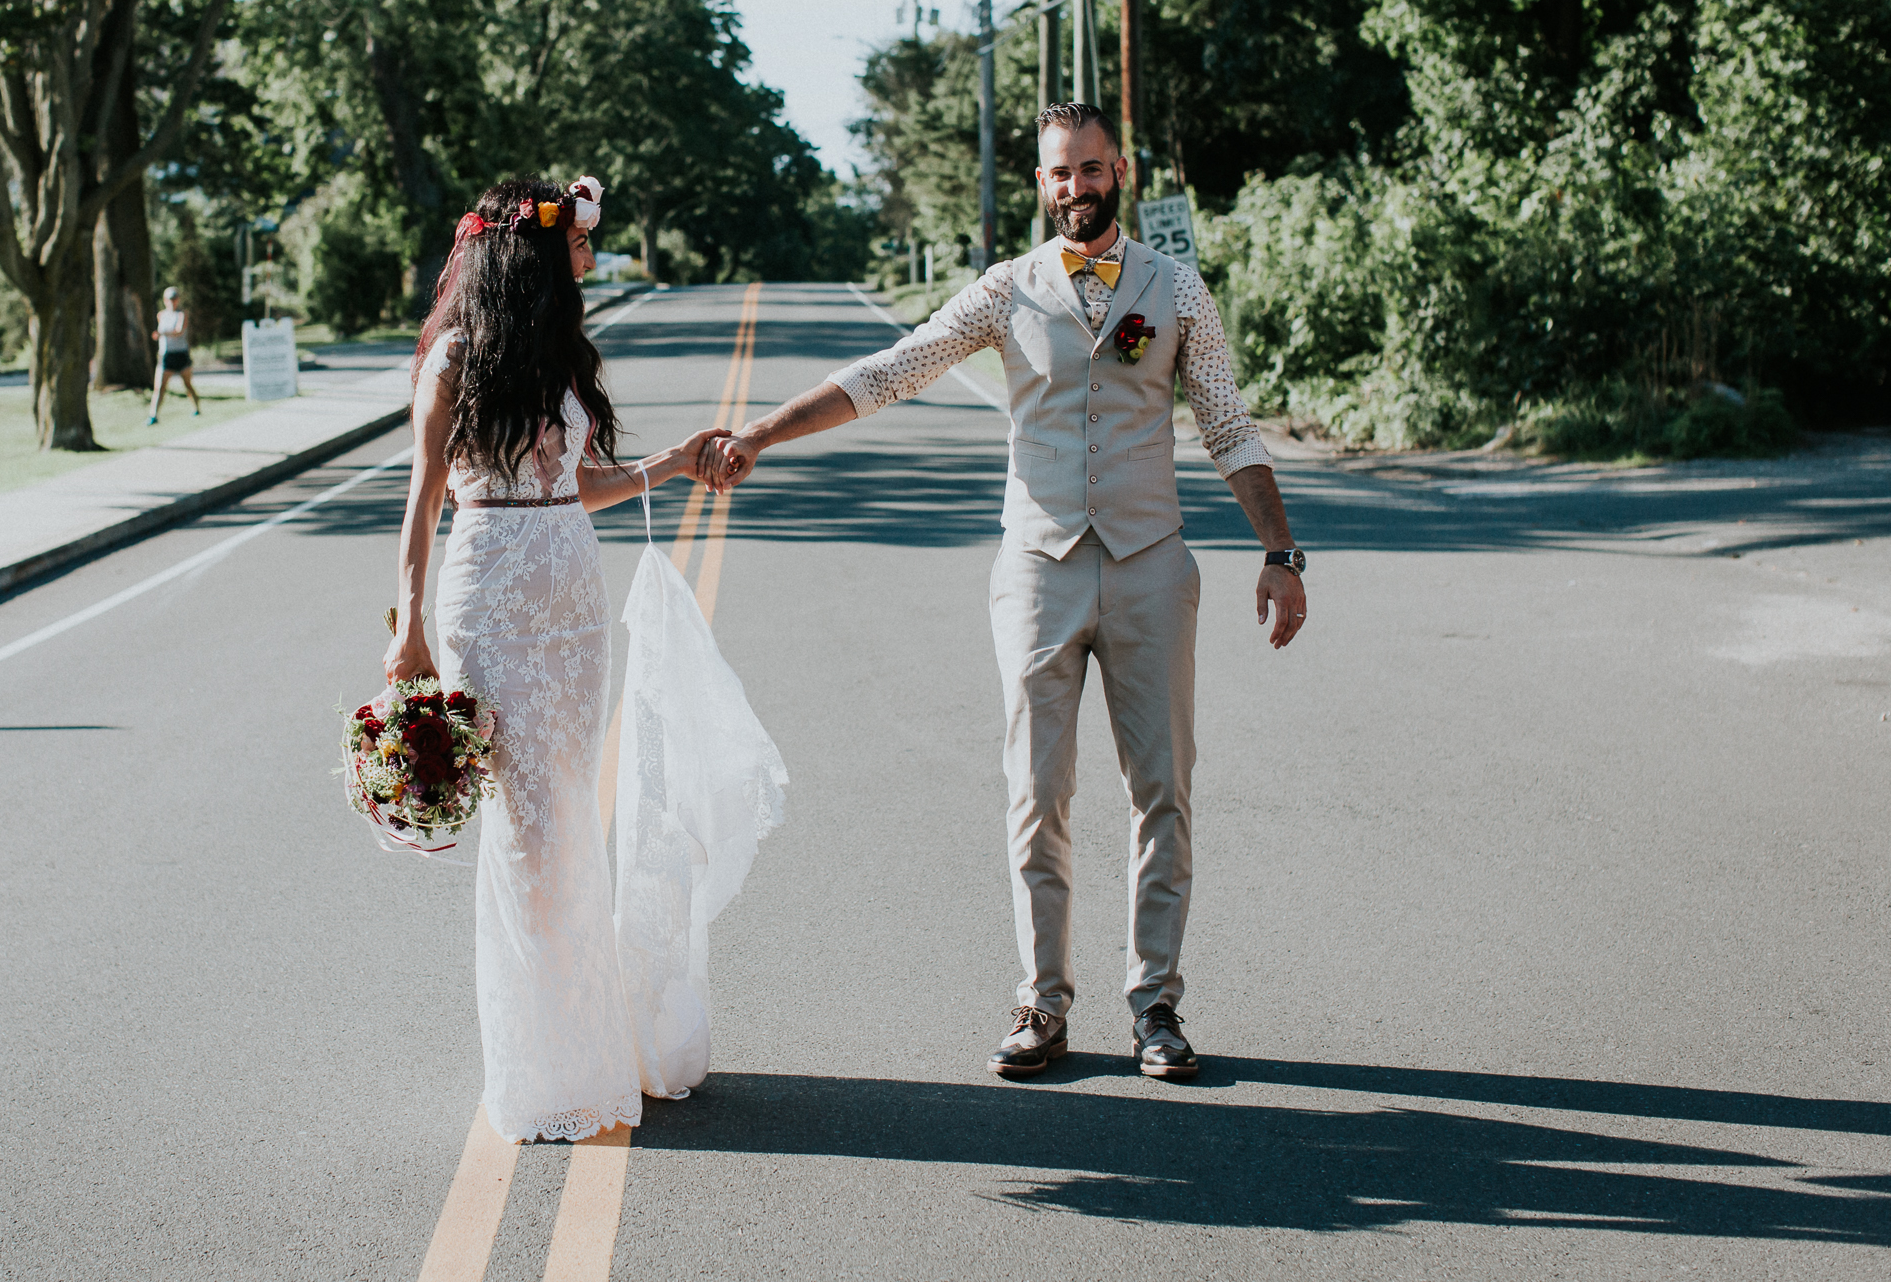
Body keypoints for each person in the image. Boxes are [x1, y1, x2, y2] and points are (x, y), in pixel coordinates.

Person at [698, 102, 1308, 1083]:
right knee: (1037, 794)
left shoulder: (1177, 289)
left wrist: (1281, 552)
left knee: (1163, 790)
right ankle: (1043, 1003)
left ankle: (1156, 1005)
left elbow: (1229, 425)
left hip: (1152, 565)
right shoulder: (1004, 292)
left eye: (1092, 169)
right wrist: (760, 434)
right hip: (1038, 569)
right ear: (1042, 181)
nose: (1076, 187)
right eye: (1059, 173)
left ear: (1123, 170)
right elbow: (893, 371)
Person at [385, 175, 732, 1144]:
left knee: (572, 810)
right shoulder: (452, 357)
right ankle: (539, 1066)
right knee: (527, 832)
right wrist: (406, 624)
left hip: (573, 602)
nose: (587, 257)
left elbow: (581, 484)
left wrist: (669, 463)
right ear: (530, 253)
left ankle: (587, 1042)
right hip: (489, 599)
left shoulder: (558, 356)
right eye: (577, 243)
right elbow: (420, 502)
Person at [147, 286, 200, 423]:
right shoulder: (161, 315)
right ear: (165, 300)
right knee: (159, 387)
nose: (172, 301)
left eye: (175, 298)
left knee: (187, 385)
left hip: (181, 354)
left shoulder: (182, 314)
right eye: (170, 299)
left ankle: (196, 408)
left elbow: (179, 331)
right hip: (166, 355)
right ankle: (153, 415)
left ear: (178, 299)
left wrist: (162, 334)